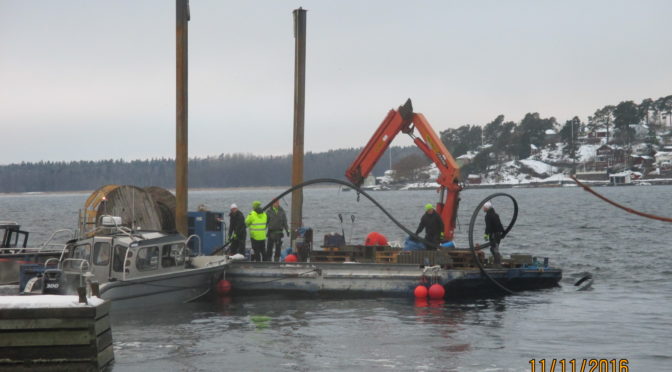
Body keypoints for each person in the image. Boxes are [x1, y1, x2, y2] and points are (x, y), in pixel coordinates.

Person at [483, 201, 505, 266]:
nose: (483, 209)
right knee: (495, 248)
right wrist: (503, 232)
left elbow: (488, 227)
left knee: (494, 249)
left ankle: (497, 264)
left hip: (493, 234)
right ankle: (497, 262)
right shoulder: (496, 214)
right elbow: (500, 224)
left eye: (484, 207)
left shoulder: (488, 216)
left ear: (487, 208)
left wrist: (486, 235)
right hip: (498, 234)